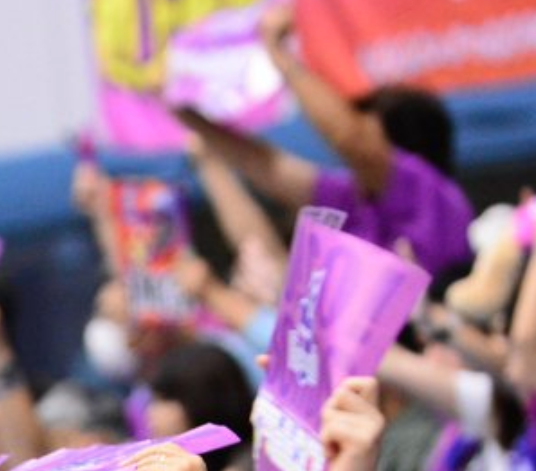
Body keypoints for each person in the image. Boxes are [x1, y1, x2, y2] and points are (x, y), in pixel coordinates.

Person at [179, 7, 470, 274]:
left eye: (362, 118)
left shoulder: (431, 192)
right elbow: (265, 166)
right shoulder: (355, 196)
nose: (347, 119)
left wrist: (280, 55)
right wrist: (180, 107)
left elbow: (350, 139)